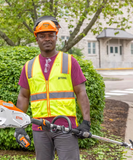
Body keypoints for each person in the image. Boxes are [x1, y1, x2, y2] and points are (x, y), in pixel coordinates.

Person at [14, 15, 91, 160]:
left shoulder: (69, 61)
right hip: (39, 127)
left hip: (65, 126)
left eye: (51, 35)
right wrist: (19, 126)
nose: (47, 39)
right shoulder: (29, 66)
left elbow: (81, 92)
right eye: (42, 36)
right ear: (36, 39)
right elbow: (23, 96)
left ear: (56, 37)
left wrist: (86, 121)